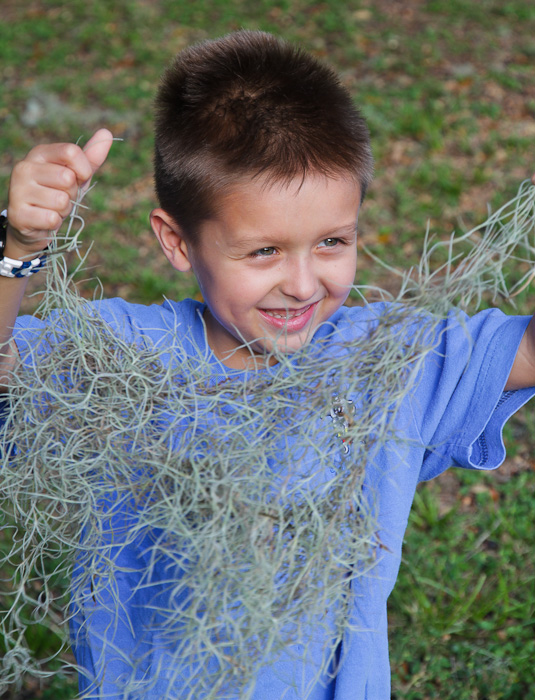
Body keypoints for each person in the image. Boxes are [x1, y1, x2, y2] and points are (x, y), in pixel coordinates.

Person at [1, 30, 535, 700]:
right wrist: (17, 247)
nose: (304, 285)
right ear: (177, 241)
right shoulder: (120, 357)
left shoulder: (387, 362)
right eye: (264, 252)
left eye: (332, 242)